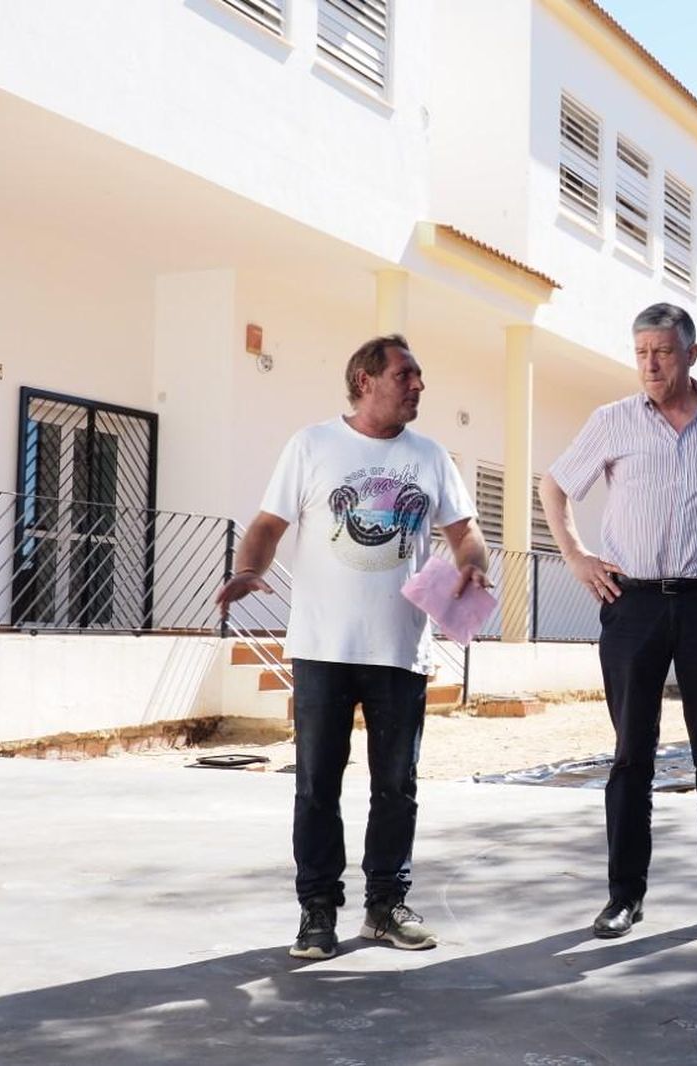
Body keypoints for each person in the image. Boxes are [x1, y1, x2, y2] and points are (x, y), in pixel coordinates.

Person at [216, 334, 489, 961]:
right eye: (406, 375)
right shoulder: (311, 445)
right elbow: (266, 526)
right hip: (322, 647)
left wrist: (470, 564)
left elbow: (464, 531)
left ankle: (385, 907)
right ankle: (317, 912)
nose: (418, 386)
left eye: (420, 376)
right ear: (365, 380)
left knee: (397, 785)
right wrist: (251, 568)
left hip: (400, 649)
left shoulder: (431, 456)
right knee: (317, 785)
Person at [539, 303, 697, 942]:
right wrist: (575, 556)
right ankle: (623, 898)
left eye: (663, 351)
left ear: (691, 354)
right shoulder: (612, 422)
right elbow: (556, 484)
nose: (651, 364)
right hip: (631, 604)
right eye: (641, 353)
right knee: (632, 755)